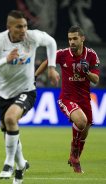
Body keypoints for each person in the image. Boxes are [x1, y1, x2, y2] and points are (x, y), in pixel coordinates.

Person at [0, 10, 59, 183]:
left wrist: (52, 67)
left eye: (25, 26)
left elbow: (51, 42)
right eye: (19, 27)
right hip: (4, 94)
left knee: (10, 118)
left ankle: (9, 163)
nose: (23, 30)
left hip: (26, 90)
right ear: (9, 27)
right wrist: (5, 60)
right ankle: (21, 164)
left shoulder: (33, 37)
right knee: (8, 129)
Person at [35, 25, 100, 173]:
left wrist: (87, 72)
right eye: (70, 39)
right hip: (67, 98)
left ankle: (75, 158)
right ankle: (74, 155)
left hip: (84, 99)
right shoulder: (63, 54)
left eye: (75, 38)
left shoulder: (91, 55)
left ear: (82, 38)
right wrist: (34, 77)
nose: (71, 42)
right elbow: (47, 61)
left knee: (84, 132)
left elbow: (95, 79)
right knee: (81, 121)